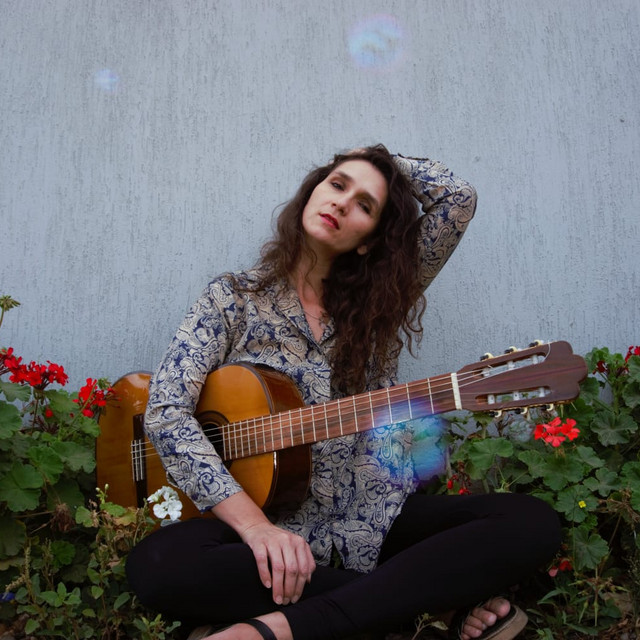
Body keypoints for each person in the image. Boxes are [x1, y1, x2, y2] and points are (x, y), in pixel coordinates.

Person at [125, 144, 561, 640]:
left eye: (364, 205)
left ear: (368, 240)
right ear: (312, 191)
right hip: (266, 526)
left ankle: (280, 628)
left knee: (530, 522)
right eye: (336, 184)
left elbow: (456, 199)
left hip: (373, 517)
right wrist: (256, 527)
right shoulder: (233, 299)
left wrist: (380, 155)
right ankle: (422, 606)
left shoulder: (383, 304)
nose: (342, 202)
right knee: (158, 565)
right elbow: (167, 412)